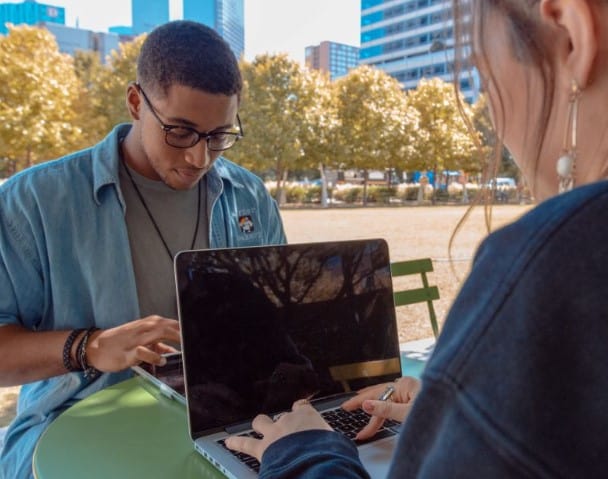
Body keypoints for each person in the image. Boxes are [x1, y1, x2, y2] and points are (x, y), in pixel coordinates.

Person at [227, 0, 608, 476]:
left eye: (484, 77)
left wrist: (304, 451)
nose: (492, 119)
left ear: (570, 33)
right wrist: (461, 409)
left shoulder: (556, 264)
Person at [0, 20, 285, 479]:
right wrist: (87, 347)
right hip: (73, 433)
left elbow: (276, 322)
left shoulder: (249, 196)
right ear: (136, 102)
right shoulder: (33, 201)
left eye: (218, 136)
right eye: (180, 132)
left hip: (227, 423)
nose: (199, 158)